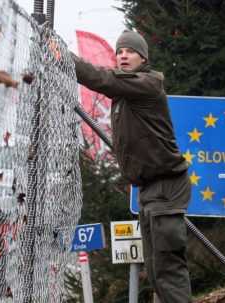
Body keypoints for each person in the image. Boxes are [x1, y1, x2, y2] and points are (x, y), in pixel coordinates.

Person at [71, 30, 192, 302]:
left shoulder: (148, 84)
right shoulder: (124, 96)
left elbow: (105, 79)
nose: (123, 55)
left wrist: (68, 61)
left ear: (143, 57)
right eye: (119, 51)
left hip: (166, 186)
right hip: (149, 190)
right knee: (155, 268)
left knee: (168, 268)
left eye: (130, 51)